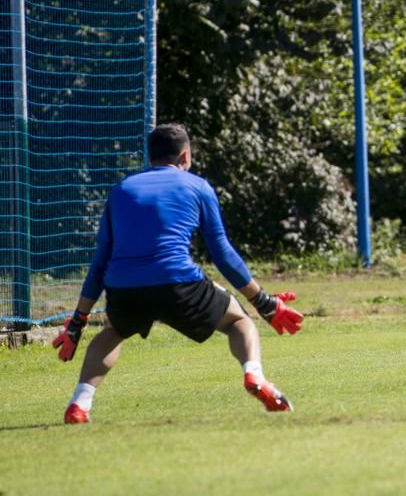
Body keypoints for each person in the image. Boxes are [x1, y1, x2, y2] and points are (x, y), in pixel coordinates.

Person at [52, 123, 304, 423]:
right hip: (178, 283)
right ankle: (255, 376)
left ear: (150, 157)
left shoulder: (121, 191)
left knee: (111, 334)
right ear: (185, 156)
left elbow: (100, 261)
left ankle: (80, 404)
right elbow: (222, 254)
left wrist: (78, 321)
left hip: (124, 288)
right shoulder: (198, 187)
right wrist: (264, 302)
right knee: (239, 321)